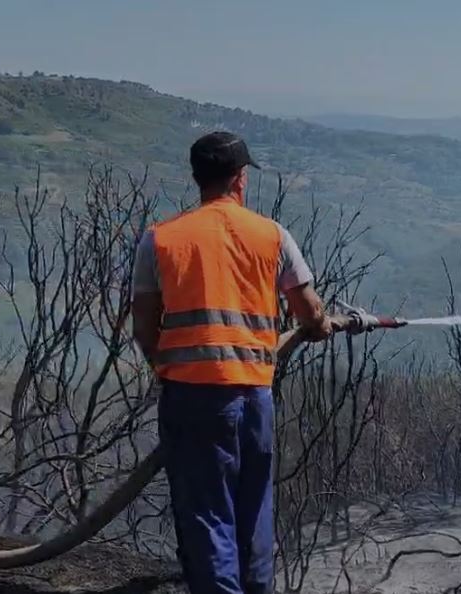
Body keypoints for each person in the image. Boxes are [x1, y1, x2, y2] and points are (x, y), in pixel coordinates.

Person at [131, 131, 332, 594]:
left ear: (197, 178)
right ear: (240, 179)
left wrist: (167, 367)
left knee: (207, 516)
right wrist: (318, 326)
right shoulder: (272, 235)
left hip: (191, 398)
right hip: (254, 397)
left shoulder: (159, 241)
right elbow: (308, 310)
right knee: (253, 510)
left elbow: (144, 328)